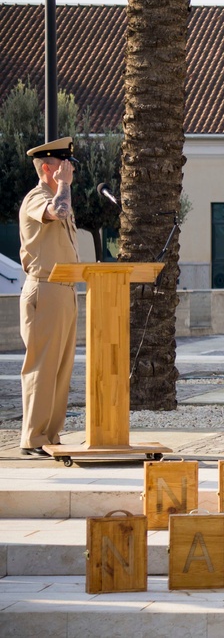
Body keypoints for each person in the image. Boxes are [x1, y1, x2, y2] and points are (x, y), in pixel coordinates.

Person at [18, 137, 80, 457]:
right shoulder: (38, 197)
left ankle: (50, 435)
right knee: (42, 366)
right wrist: (62, 185)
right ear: (47, 168)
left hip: (65, 290)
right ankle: (33, 436)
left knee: (60, 368)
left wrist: (63, 184)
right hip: (45, 288)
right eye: (62, 165)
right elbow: (58, 210)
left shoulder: (58, 193)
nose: (68, 170)